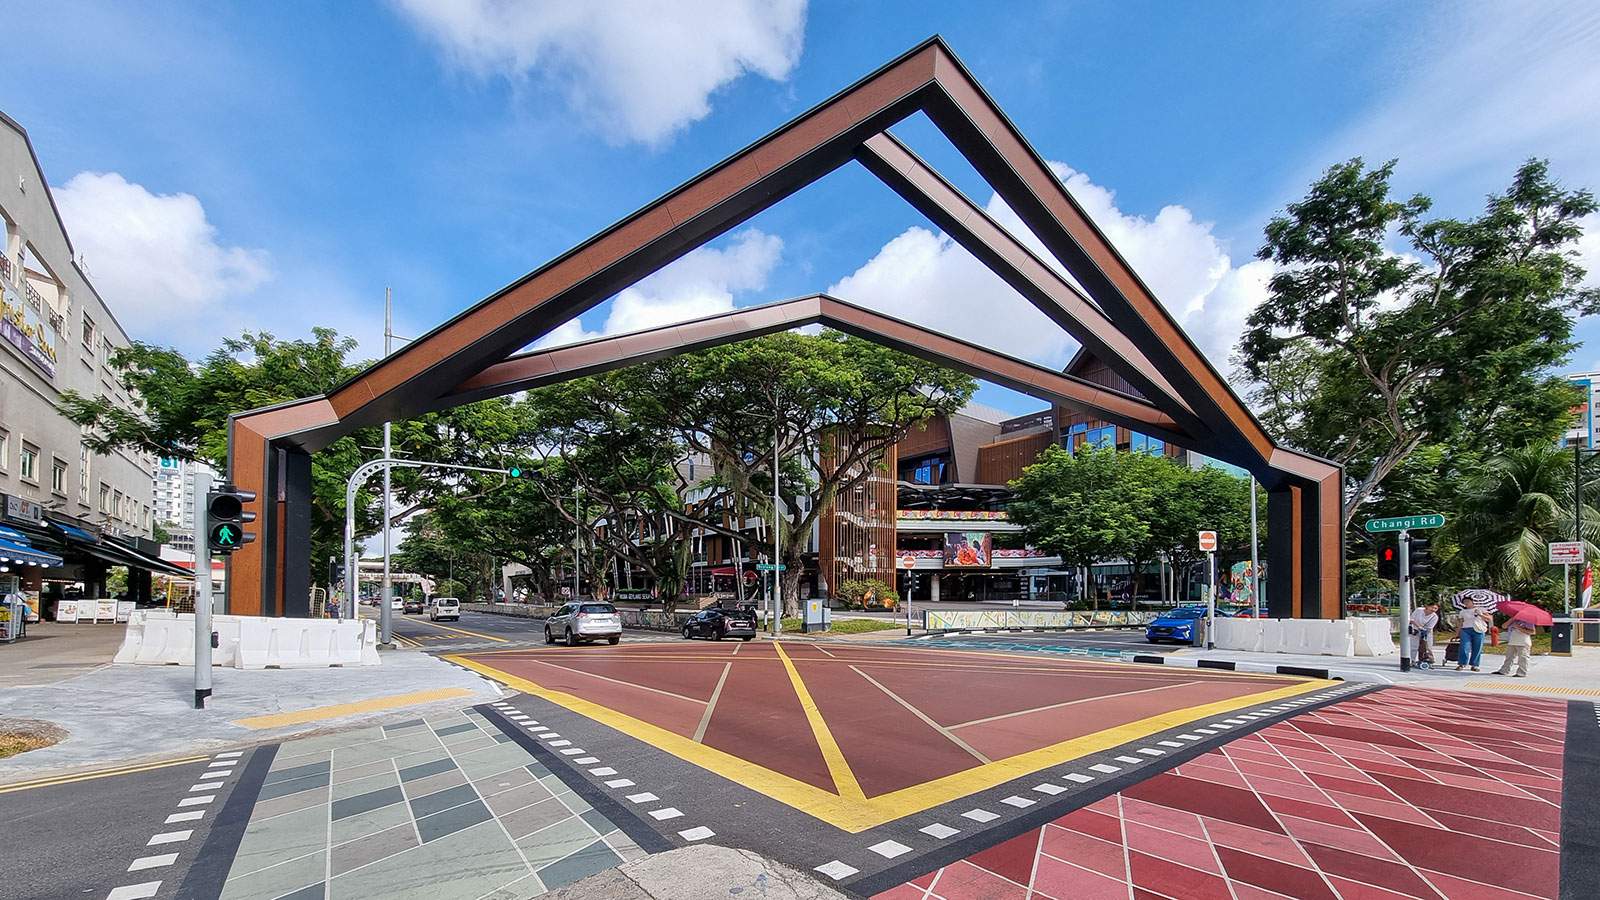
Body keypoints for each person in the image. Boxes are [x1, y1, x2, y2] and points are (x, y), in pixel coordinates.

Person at [1456, 605, 1492, 671]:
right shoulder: (1462, 612)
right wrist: (1458, 633)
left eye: (1468, 601)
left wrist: (1480, 614)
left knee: (1477, 647)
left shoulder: (1481, 609)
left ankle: (1474, 664)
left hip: (1478, 629)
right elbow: (1461, 623)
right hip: (1466, 629)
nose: (1467, 603)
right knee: (1464, 646)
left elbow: (1489, 619)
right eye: (1465, 602)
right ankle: (1462, 663)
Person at [1410, 602, 1439, 668]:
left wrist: (1425, 635)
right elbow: (1412, 619)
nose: (1433, 610)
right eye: (1432, 607)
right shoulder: (1419, 610)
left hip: (1426, 631)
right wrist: (1419, 626)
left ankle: (1428, 660)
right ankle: (1412, 661)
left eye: (1435, 608)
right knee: (1414, 646)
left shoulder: (1434, 617)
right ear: (1427, 606)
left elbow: (1430, 628)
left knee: (1427, 646)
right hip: (1416, 630)